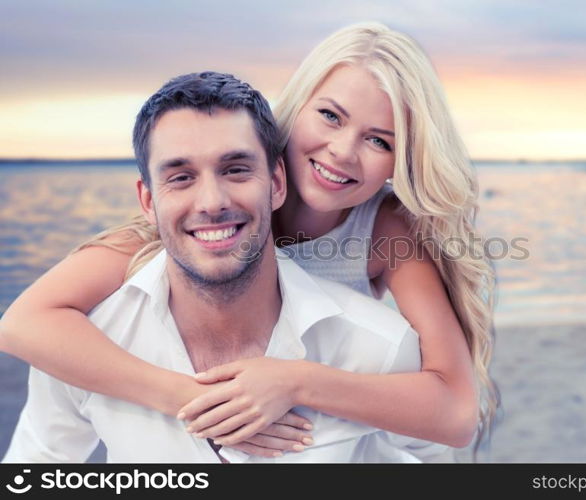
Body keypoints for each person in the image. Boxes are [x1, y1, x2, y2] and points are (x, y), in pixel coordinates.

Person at [0, 22, 498, 459]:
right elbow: (23, 323)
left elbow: (455, 411)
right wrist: (190, 398)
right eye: (330, 116)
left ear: (401, 161)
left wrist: (295, 380)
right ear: (296, 107)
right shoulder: (211, 214)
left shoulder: (385, 228)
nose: (343, 151)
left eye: (380, 141)